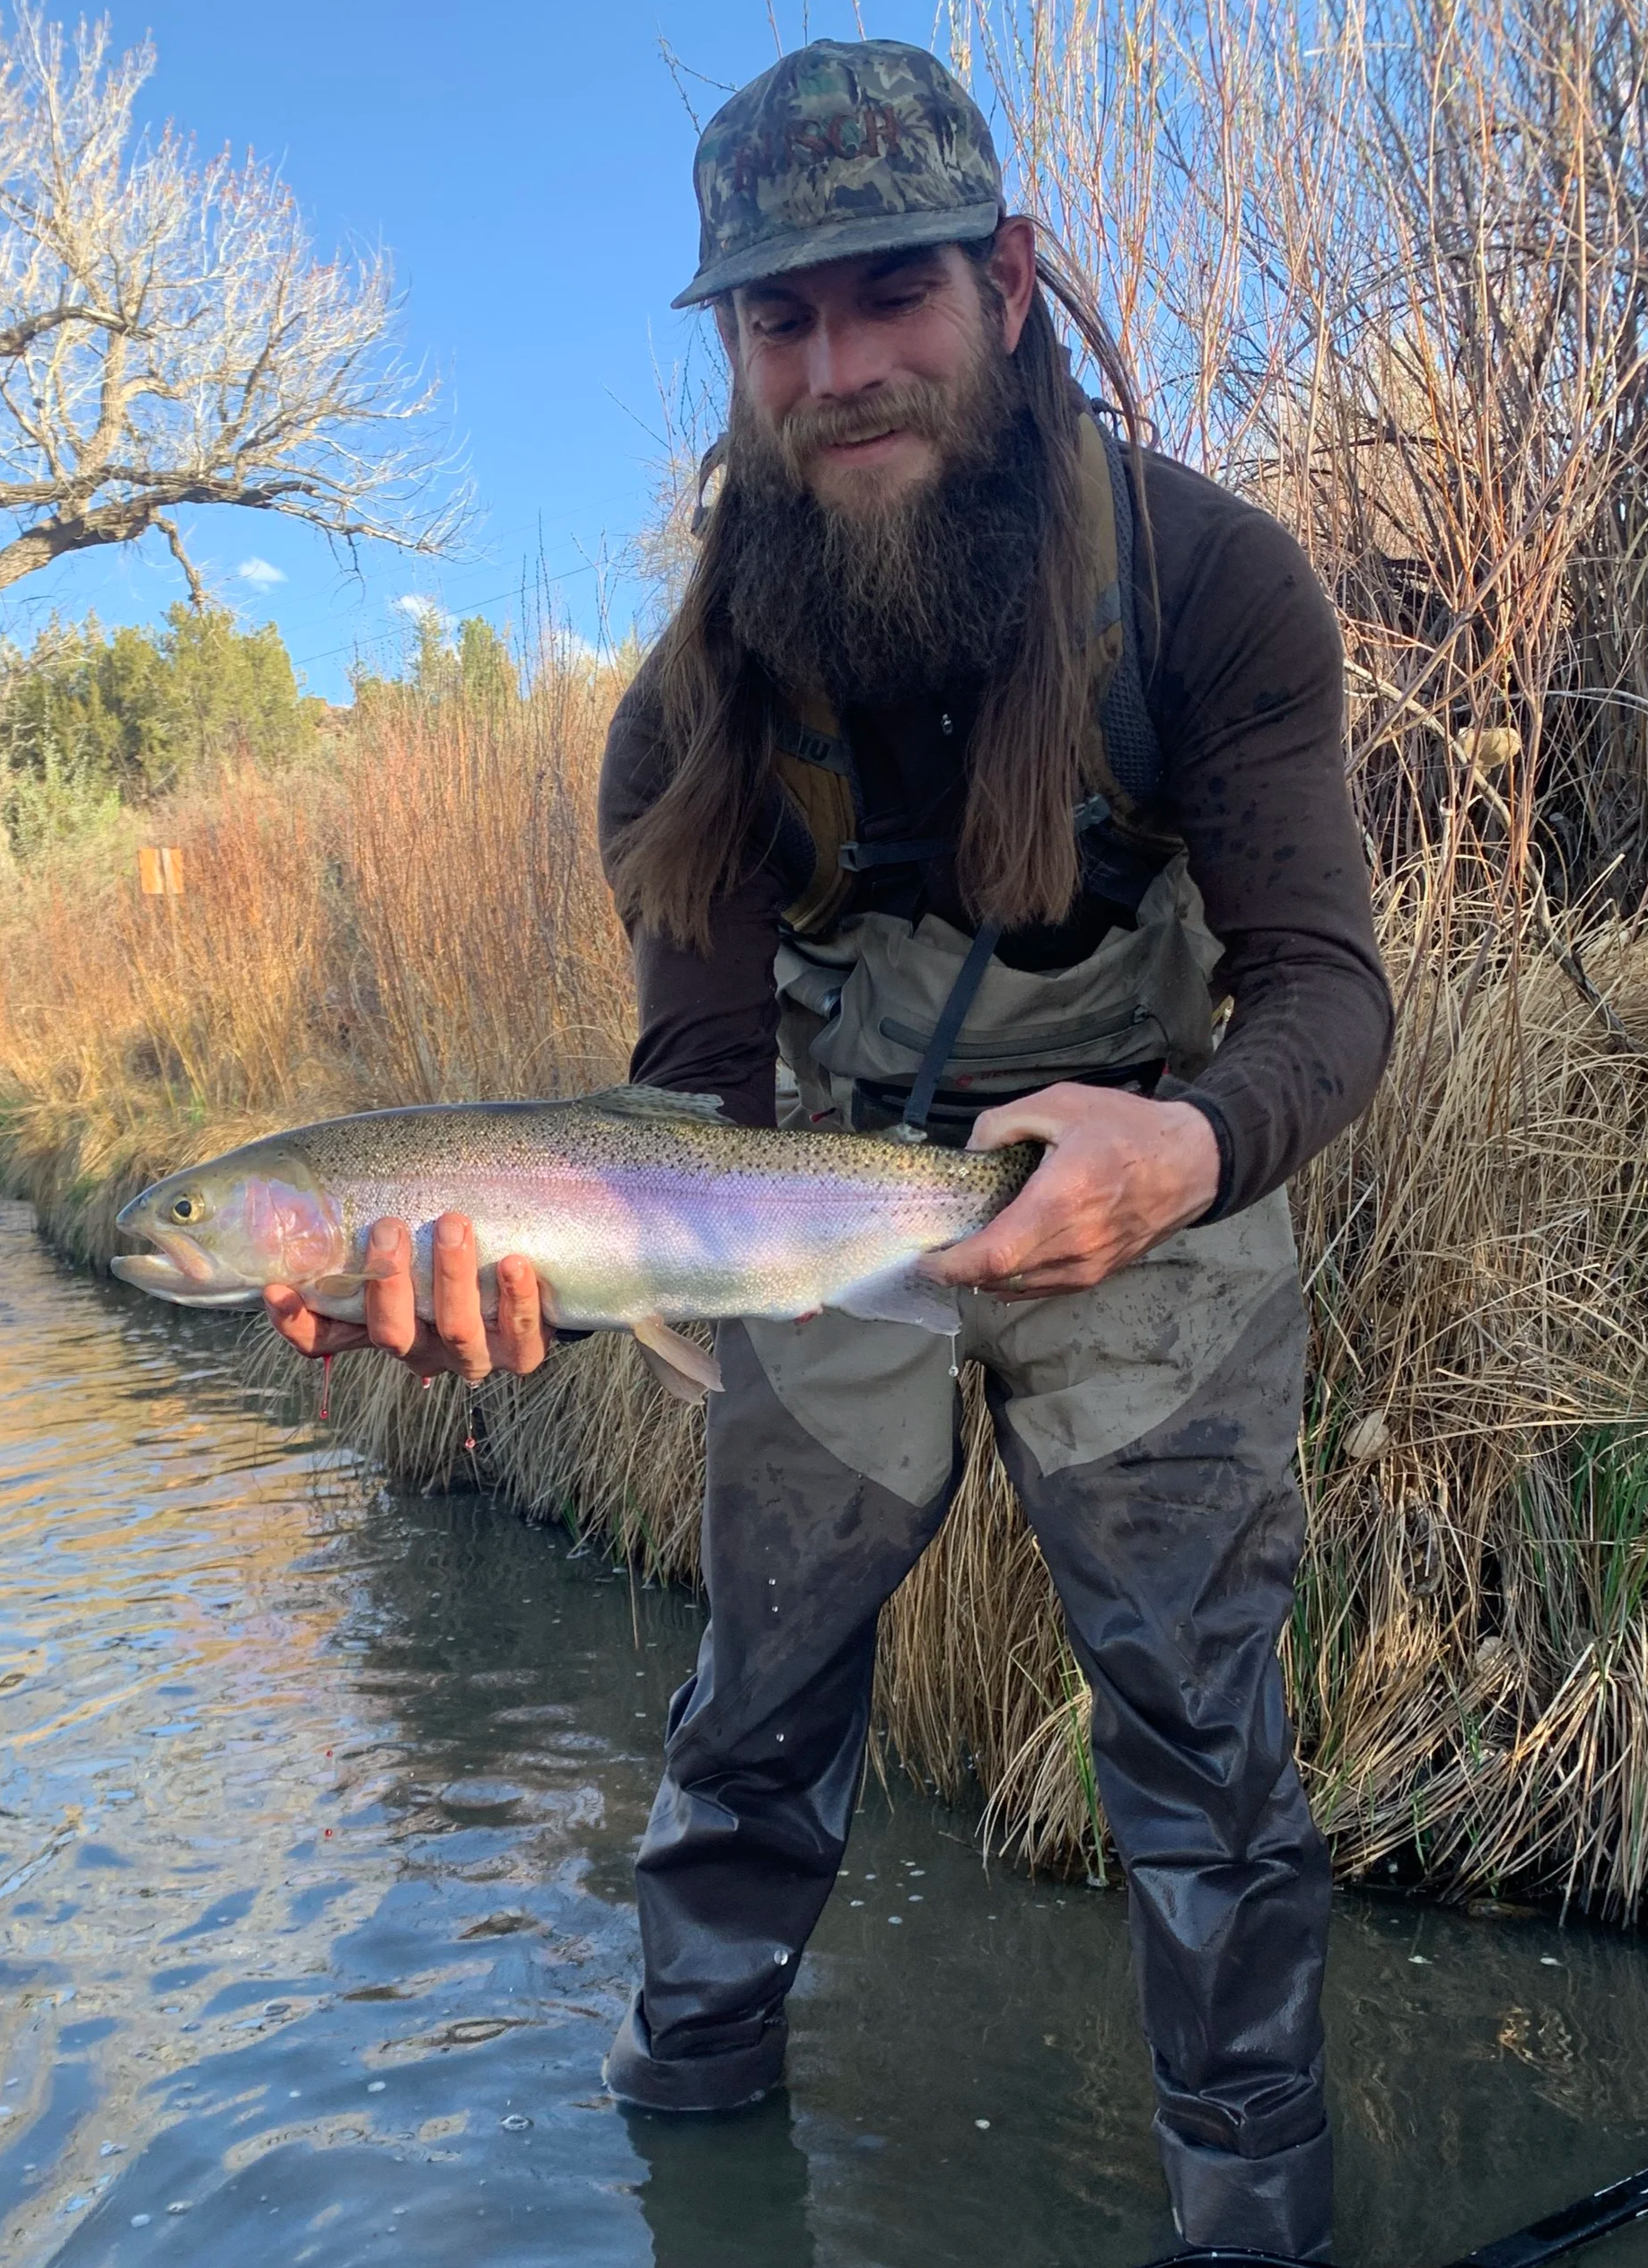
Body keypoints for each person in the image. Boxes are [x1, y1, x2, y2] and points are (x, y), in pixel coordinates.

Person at [267, 38, 1391, 2259]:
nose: (839, 366)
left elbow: (1330, 998)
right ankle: (689, 2132)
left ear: (1010, 279)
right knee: (754, 1702)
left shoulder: (1214, 586)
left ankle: (1252, 2216)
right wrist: (547, 1275)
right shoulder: (683, 713)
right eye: (779, 320)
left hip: (1161, 1178)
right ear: (731, 351)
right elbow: (689, 1115)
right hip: (815, 1209)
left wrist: (1175, 1155)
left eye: (886, 294)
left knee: (1202, 1751)